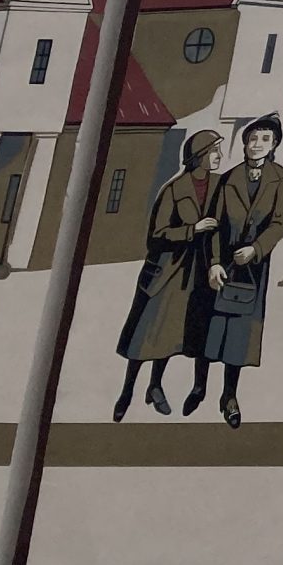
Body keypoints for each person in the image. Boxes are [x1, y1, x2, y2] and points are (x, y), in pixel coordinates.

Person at [112, 128, 221, 421]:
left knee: (171, 335)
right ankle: (126, 392)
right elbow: (157, 235)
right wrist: (192, 230)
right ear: (198, 156)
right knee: (144, 335)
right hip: (165, 272)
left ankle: (155, 386)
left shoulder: (219, 185)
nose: (218, 156)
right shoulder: (174, 189)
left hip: (195, 273)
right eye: (213, 151)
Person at [188, 114, 283, 426]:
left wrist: (256, 249)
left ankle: (229, 395)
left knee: (239, 335)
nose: (257, 144)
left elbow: (278, 223)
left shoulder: (280, 177)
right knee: (210, 327)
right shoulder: (228, 178)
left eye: (265, 139)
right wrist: (215, 263)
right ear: (244, 143)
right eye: (253, 138)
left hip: (253, 266)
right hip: (224, 261)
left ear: (274, 145)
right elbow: (215, 225)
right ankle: (199, 387)